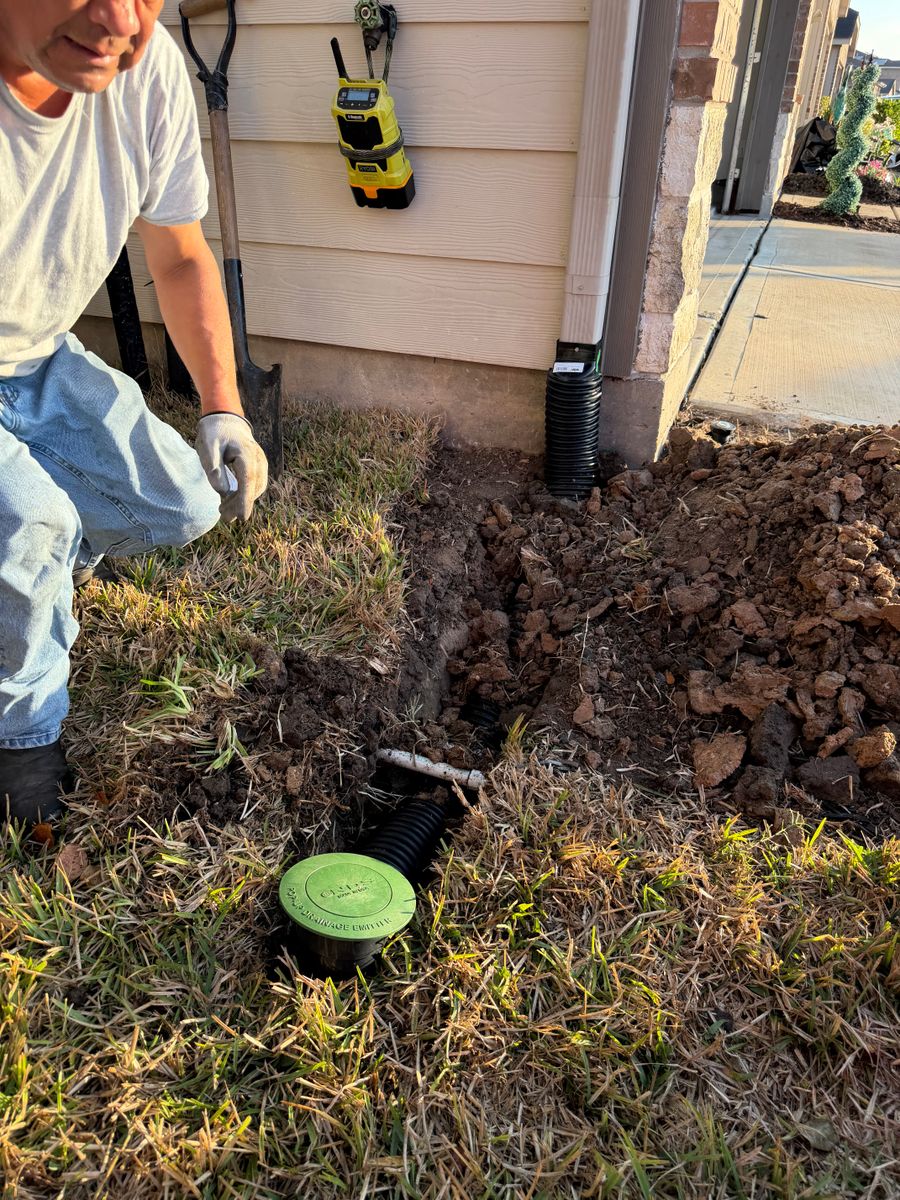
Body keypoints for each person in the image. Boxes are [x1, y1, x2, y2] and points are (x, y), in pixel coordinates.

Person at [0, 1, 269, 831]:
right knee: (33, 523)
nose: (122, 17)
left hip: (35, 354)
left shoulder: (141, 70)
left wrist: (224, 406)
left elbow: (180, 253)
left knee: (183, 503)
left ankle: (25, 582)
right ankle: (21, 738)